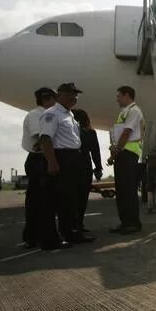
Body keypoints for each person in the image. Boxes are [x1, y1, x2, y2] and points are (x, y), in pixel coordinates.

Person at [38, 82, 94, 249]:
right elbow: (45, 139)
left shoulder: (70, 115)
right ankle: (50, 240)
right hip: (60, 158)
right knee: (54, 200)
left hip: (73, 158)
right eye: (70, 93)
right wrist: (52, 162)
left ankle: (71, 233)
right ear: (59, 95)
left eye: (76, 94)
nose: (74, 97)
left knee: (70, 199)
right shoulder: (52, 114)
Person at [21, 87, 57, 248]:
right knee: (39, 201)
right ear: (46, 99)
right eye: (54, 99)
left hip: (41, 158)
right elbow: (41, 139)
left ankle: (34, 236)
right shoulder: (37, 115)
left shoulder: (41, 114)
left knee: (39, 200)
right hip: (38, 160)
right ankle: (37, 237)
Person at [107, 86, 144, 234]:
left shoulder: (133, 111)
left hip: (128, 154)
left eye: (118, 96)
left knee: (128, 191)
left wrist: (114, 152)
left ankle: (132, 223)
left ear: (126, 95)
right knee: (122, 191)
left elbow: (126, 132)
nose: (116, 99)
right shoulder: (125, 112)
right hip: (123, 154)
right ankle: (125, 222)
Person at [72, 109, 102, 233]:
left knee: (71, 196)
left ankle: (72, 224)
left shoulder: (70, 132)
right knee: (82, 197)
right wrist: (98, 167)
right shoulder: (91, 132)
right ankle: (79, 223)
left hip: (71, 164)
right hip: (85, 166)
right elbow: (95, 151)